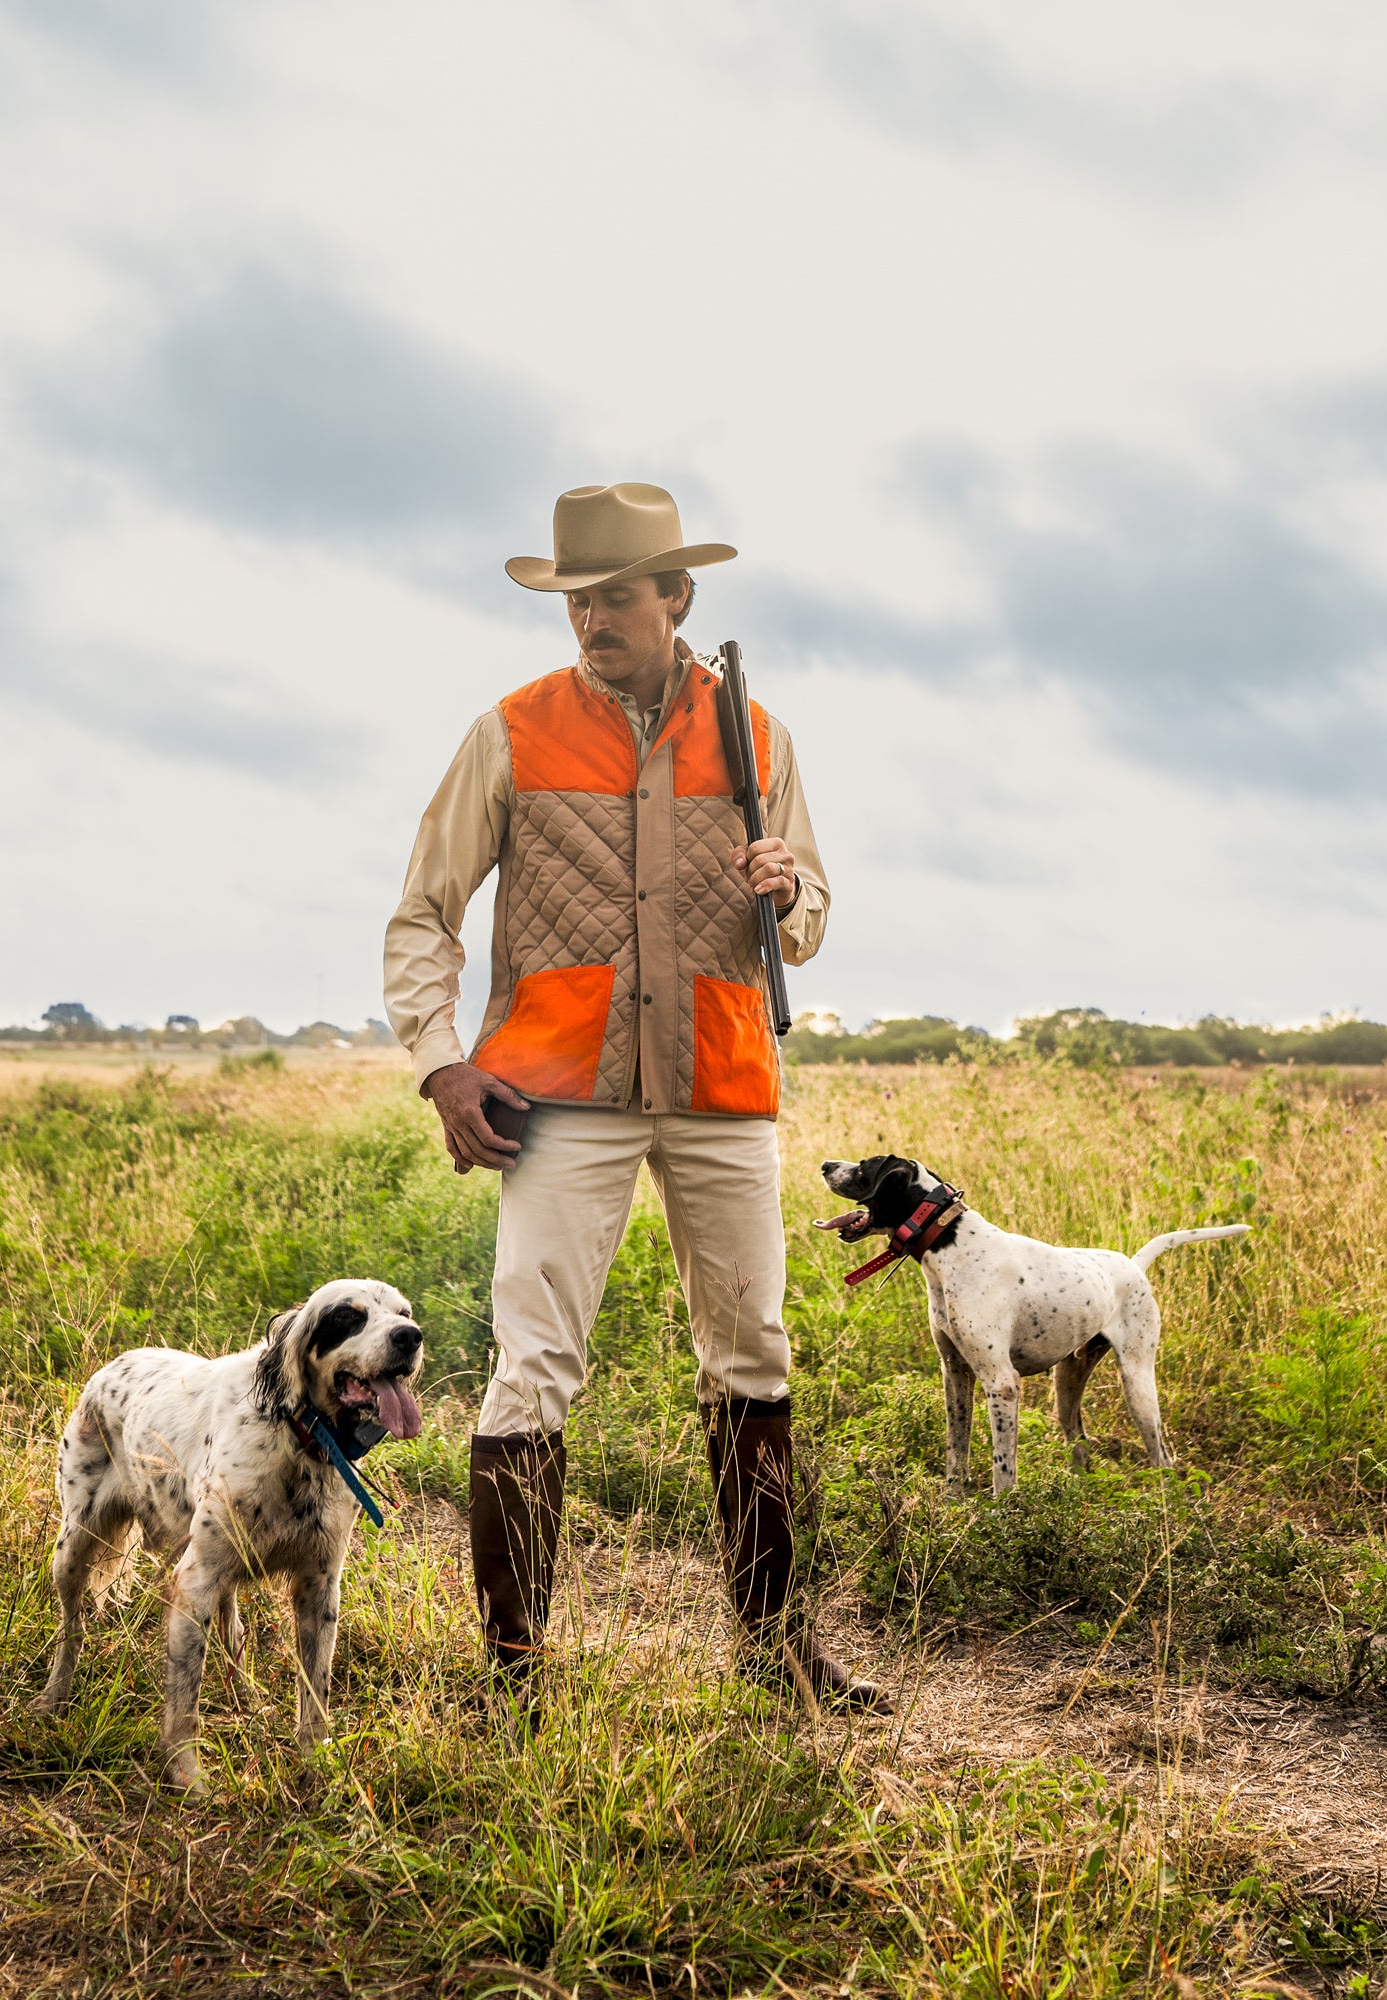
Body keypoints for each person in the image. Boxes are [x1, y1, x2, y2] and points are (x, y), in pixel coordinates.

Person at [384, 481, 886, 1709]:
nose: (590, 621)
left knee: (753, 1354)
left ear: (677, 596)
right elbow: (422, 913)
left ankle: (771, 1651)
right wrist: (441, 1060)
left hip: (721, 1083)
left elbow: (810, 916)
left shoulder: (759, 735)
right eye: (575, 600)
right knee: (531, 1364)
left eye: (614, 596)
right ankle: (511, 1674)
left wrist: (789, 891)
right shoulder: (508, 730)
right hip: (557, 1093)